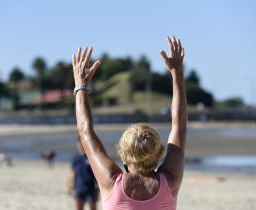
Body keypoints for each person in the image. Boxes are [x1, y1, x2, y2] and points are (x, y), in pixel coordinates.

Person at [72, 36, 186, 210]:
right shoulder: (170, 181)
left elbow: (85, 131)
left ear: (123, 152)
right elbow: (179, 124)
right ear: (158, 151)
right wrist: (176, 72)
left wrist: (80, 86)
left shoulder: (111, 182)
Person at [67, 137, 99, 210]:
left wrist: (99, 188)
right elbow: (73, 174)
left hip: (91, 188)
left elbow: (97, 174)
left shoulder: (92, 157)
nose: (80, 146)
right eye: (79, 144)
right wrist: (69, 185)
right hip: (79, 187)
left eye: (82, 144)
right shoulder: (75, 158)